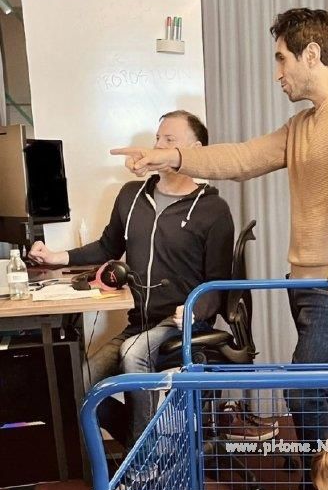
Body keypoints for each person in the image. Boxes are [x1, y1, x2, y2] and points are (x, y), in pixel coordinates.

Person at [110, 9, 328, 488]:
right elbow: (239, 158)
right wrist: (171, 156)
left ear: (311, 54)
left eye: (282, 59)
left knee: (303, 387)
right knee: (323, 392)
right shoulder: (302, 124)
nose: (277, 72)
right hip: (302, 282)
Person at [29, 110, 235, 448]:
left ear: (195, 150)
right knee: (79, 387)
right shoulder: (131, 195)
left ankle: (146, 466)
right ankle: (147, 444)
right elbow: (107, 247)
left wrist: (194, 310)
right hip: (137, 324)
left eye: (169, 140)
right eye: (157, 138)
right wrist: (57, 256)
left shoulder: (214, 210)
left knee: (133, 352)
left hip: (182, 325)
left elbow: (217, 283)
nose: (158, 145)